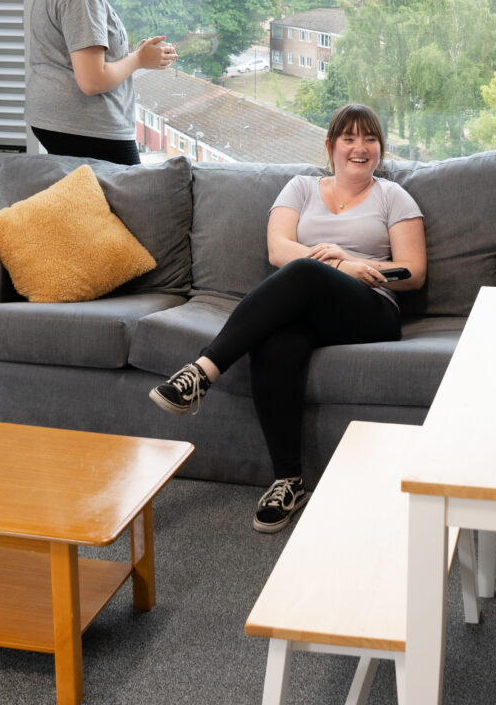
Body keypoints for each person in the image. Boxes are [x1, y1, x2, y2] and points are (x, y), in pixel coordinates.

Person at [147, 103, 427, 532]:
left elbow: (413, 271)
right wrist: (335, 266)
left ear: (381, 149)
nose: (360, 147)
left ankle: (203, 371)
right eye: (349, 138)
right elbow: (279, 249)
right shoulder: (300, 187)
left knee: (305, 269)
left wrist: (350, 264)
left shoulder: (393, 196)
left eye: (370, 139)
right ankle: (288, 481)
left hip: (371, 310)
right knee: (274, 344)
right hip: (308, 310)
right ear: (330, 146)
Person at [25, 0, 177, 164]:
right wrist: (139, 59)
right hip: (86, 127)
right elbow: (93, 80)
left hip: (57, 122)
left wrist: (134, 55)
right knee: (136, 201)